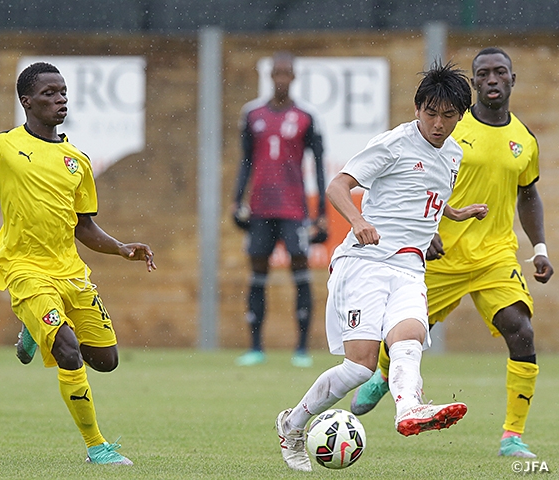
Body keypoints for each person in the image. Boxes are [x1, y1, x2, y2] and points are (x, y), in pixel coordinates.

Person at [0, 62, 156, 466]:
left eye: (63, 92)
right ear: (26, 101)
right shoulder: (0, 146)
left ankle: (33, 332)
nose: (60, 99)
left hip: (70, 272)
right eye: (49, 93)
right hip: (23, 270)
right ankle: (97, 447)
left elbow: (83, 227)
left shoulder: (77, 160)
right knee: (68, 352)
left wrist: (120, 248)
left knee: (106, 361)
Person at [275, 62, 489, 472]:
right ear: (416, 108)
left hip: (410, 266)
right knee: (360, 367)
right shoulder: (393, 144)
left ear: (461, 115)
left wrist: (454, 216)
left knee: (408, 340)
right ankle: (293, 423)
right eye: (431, 113)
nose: (439, 124)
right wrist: (358, 222)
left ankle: (410, 409)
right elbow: (339, 185)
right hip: (365, 262)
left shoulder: (455, 154)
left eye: (449, 115)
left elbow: (424, 199)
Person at [350, 47, 554, 459]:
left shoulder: (524, 140)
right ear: (474, 83)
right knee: (405, 329)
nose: (493, 79)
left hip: (495, 255)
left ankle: (512, 436)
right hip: (442, 253)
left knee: (522, 329)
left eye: (501, 72)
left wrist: (541, 248)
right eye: (484, 74)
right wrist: (424, 232)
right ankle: (383, 375)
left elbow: (528, 194)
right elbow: (409, 180)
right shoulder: (450, 128)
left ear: (513, 79)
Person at [232, 51, 327, 368]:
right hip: (260, 207)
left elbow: (319, 165)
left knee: (300, 274)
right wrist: (237, 200)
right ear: (270, 76)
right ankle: (255, 347)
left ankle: (301, 349)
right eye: (277, 73)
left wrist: (322, 211)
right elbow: (245, 162)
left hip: (293, 208)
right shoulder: (253, 115)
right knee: (257, 273)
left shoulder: (305, 117)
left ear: (294, 77)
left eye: (287, 73)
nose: (282, 79)